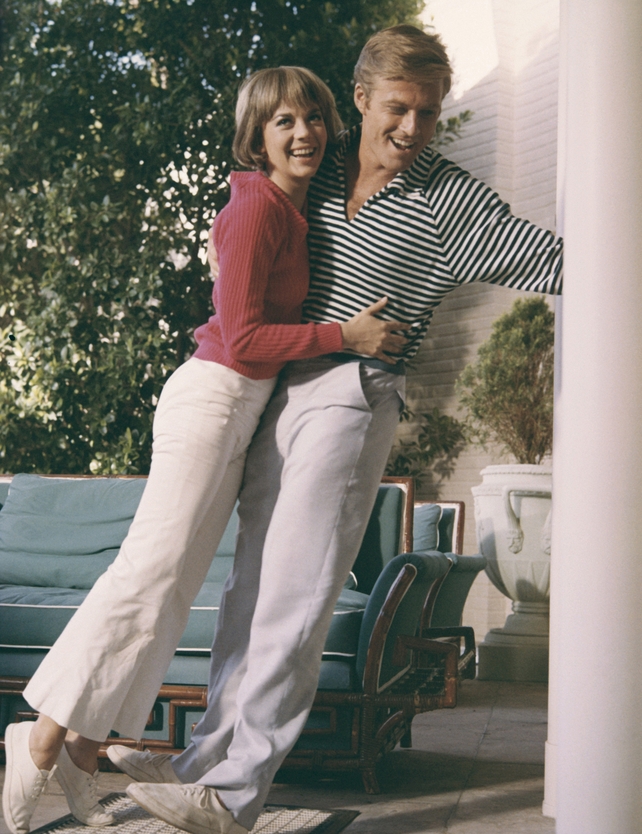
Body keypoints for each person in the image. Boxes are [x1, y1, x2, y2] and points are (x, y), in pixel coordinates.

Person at [111, 23, 564, 834]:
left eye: (428, 113)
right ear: (360, 101)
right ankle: (203, 760)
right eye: (398, 108)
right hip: (280, 392)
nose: (412, 130)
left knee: (296, 597)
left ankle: (237, 793)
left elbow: (557, 259)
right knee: (248, 593)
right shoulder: (312, 179)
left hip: (354, 398)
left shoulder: (451, 199)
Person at [1, 66, 408, 834]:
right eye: (285, 121)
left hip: (242, 406)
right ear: (257, 136)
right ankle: (42, 736)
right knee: (146, 577)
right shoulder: (255, 208)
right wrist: (342, 337)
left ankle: (85, 753)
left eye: (315, 119)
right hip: (213, 397)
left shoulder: (292, 209)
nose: (305, 134)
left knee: (174, 588)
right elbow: (247, 336)